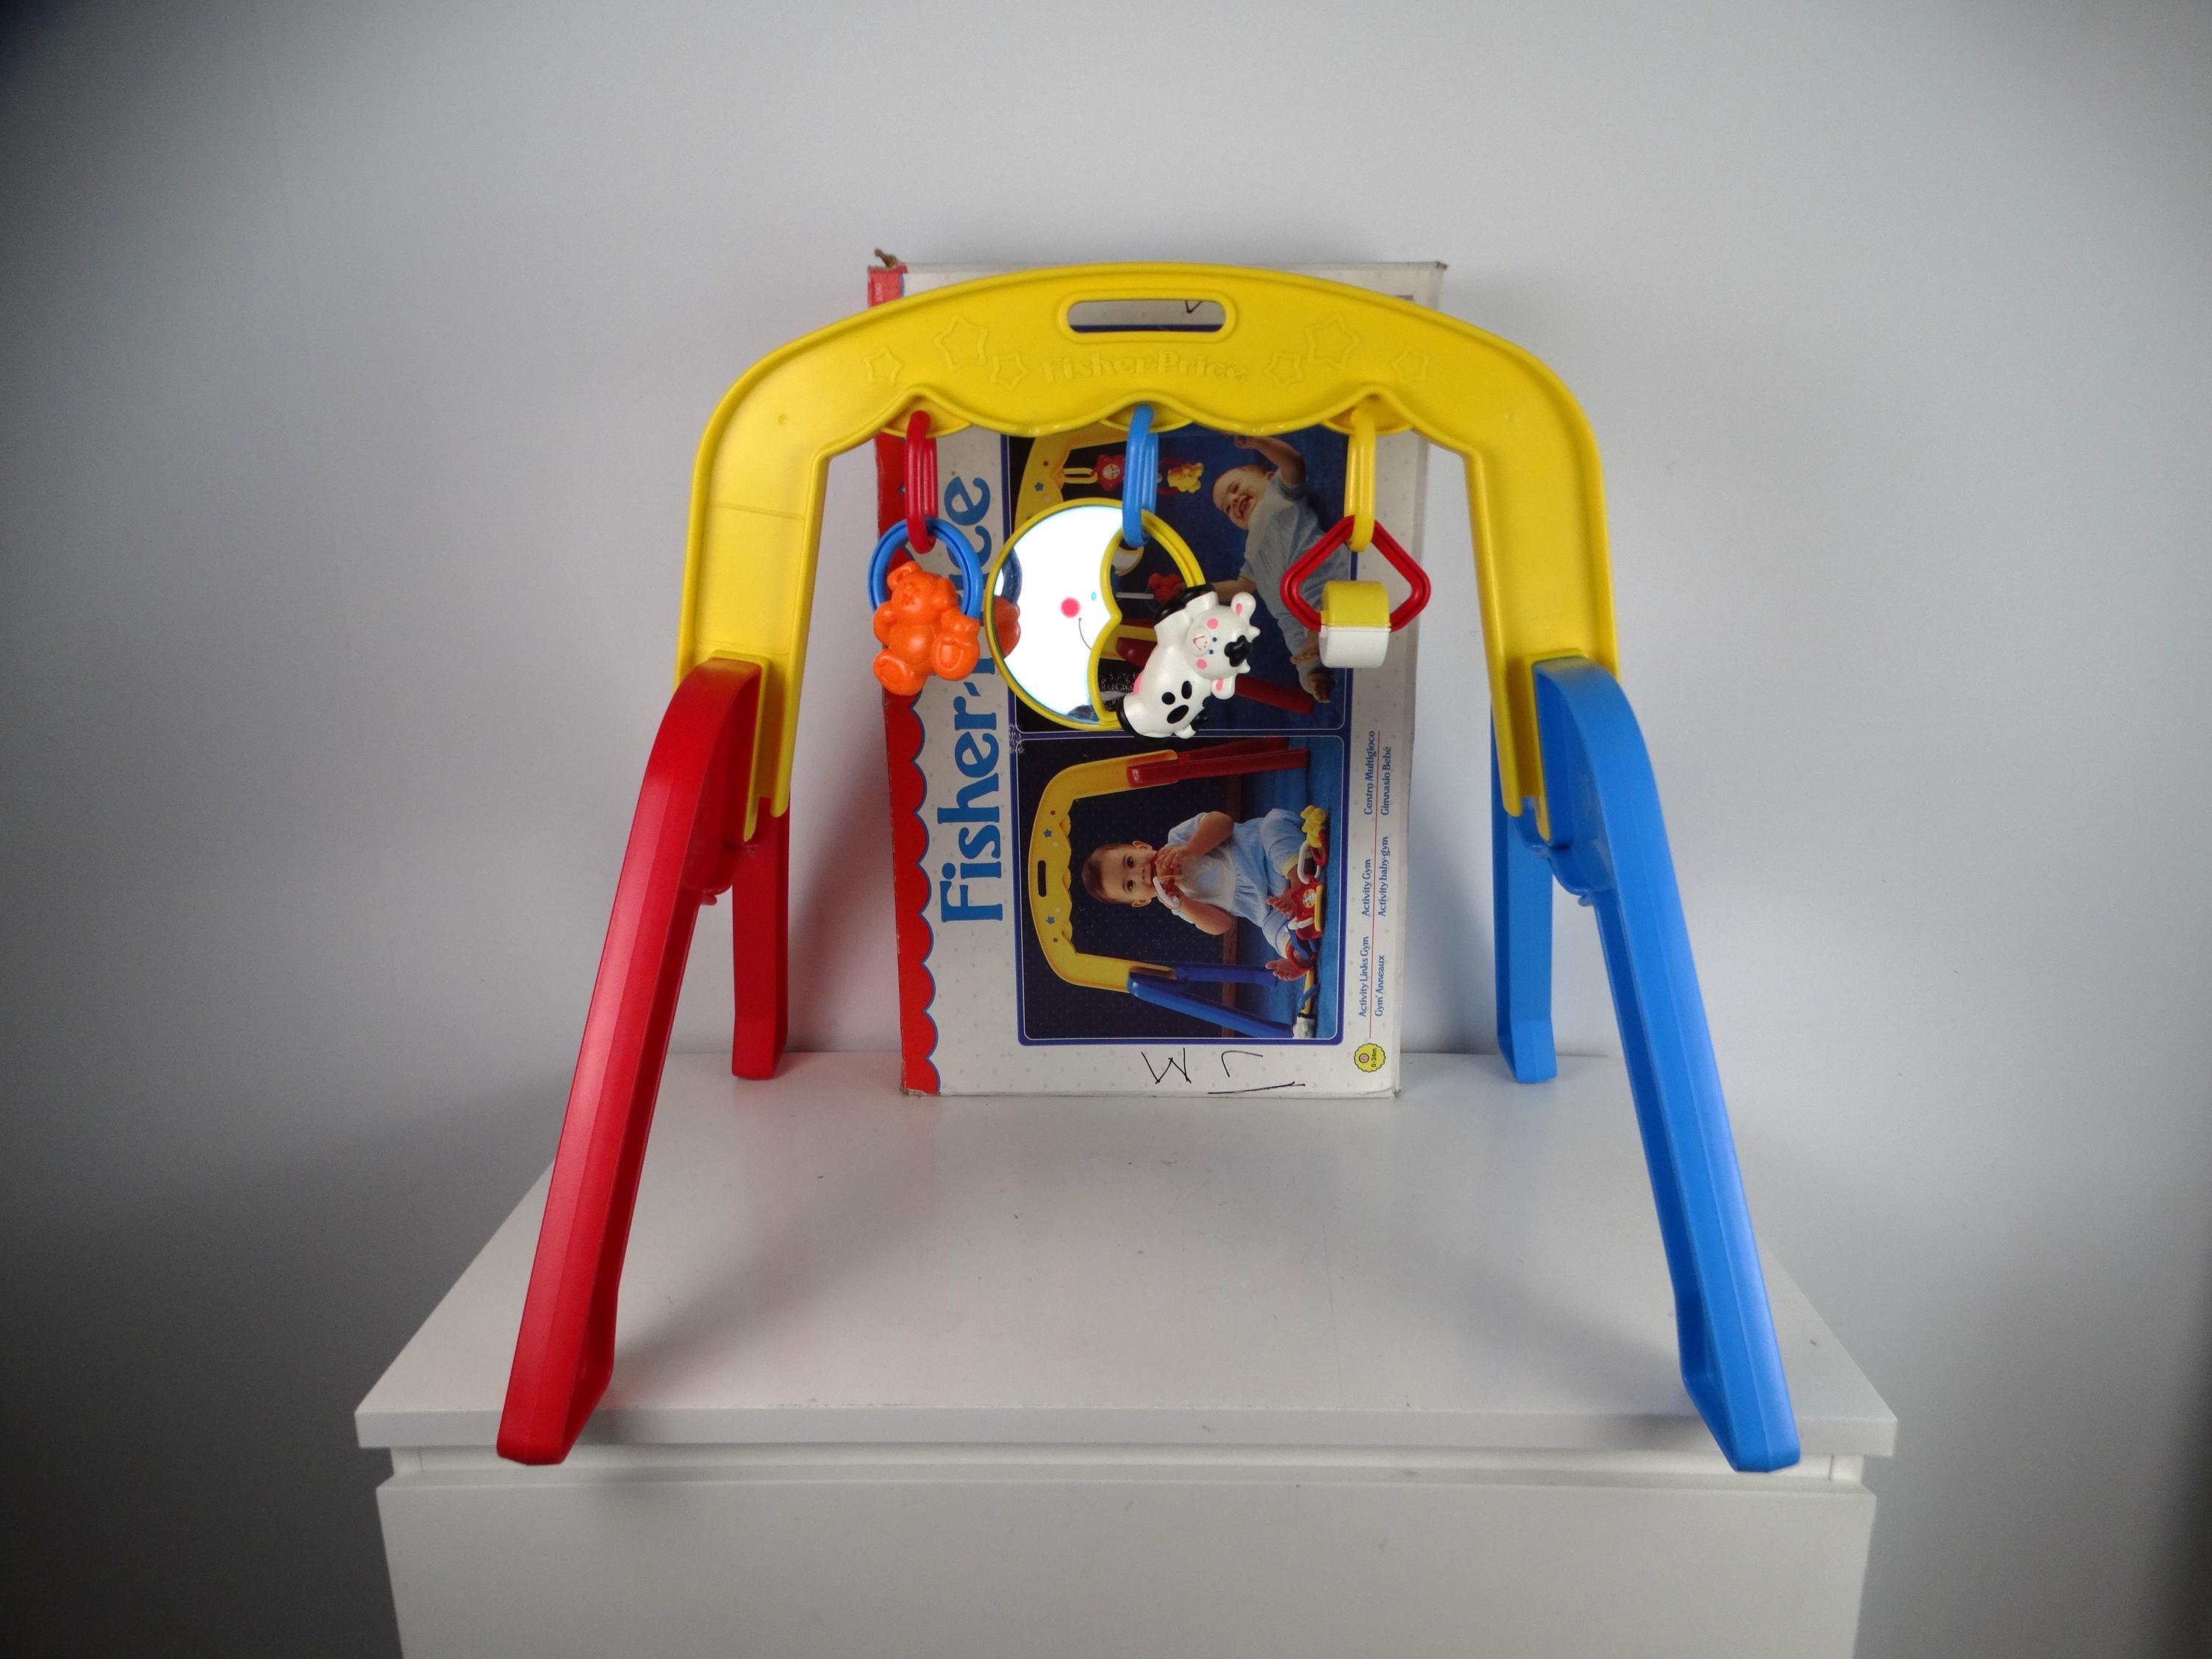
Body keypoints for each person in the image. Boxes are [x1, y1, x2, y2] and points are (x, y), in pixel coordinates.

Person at [1079, 807, 1314, 980]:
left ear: (1142, 847)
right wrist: (1183, 903)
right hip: (1271, 904)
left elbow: (1224, 822)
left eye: (1130, 862)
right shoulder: (1179, 904)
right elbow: (1223, 925)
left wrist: (1190, 850)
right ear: (1141, 901)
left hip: (1264, 852)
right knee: (1270, 929)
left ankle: (1297, 883)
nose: (1138, 873)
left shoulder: (1179, 839)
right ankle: (1296, 952)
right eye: (1130, 885)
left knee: (1273, 823)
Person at [1209, 434, 1346, 702]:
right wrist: (1202, 591)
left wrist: (1258, 442)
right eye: (1227, 509)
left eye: (1236, 488)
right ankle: (1316, 678)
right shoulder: (1251, 549)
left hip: (1319, 572)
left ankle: (1316, 636)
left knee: (1317, 600)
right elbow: (1241, 587)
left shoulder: (1279, 493)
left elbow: (1294, 464)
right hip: (1289, 614)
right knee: (1297, 648)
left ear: (1269, 477)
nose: (1234, 501)